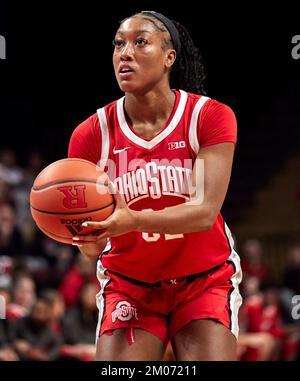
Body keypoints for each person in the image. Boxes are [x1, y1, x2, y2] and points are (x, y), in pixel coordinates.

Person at [69, 10, 242, 360]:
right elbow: (89, 248)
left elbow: (204, 213)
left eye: (140, 42)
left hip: (203, 280)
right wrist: (88, 241)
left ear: (169, 57)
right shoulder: (90, 135)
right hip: (129, 286)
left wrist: (132, 220)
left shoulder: (208, 116)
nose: (125, 53)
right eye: (119, 44)